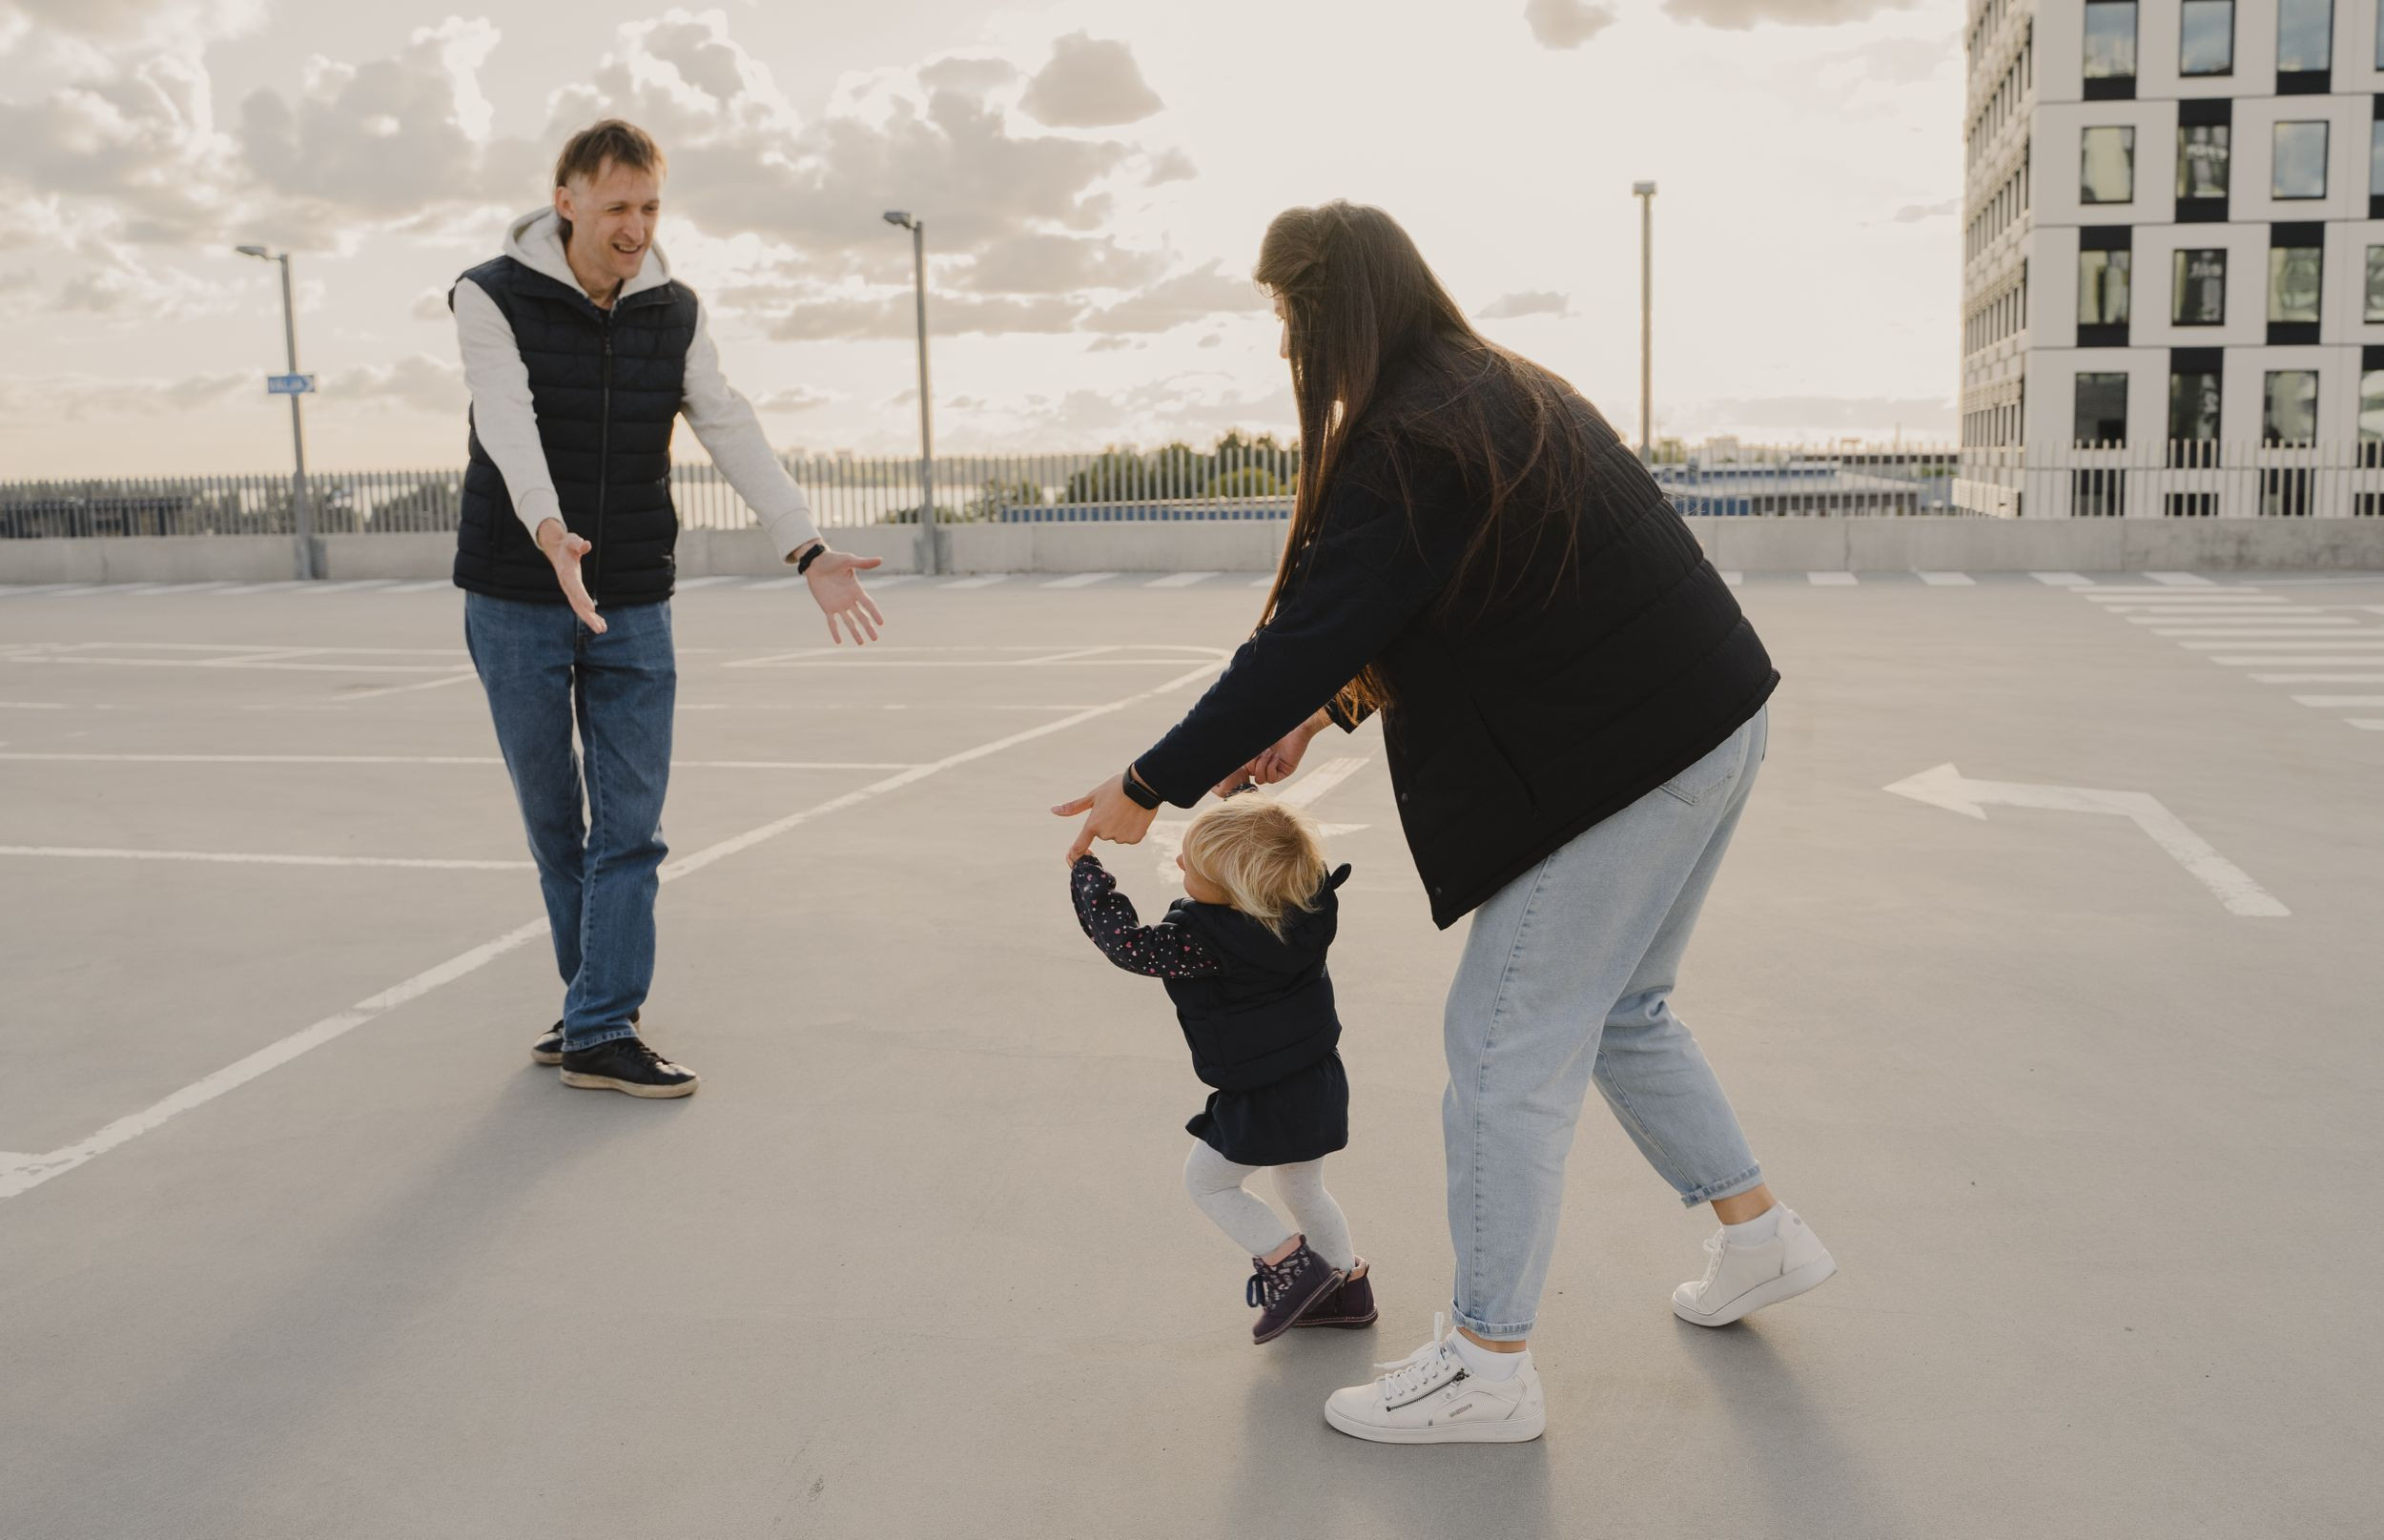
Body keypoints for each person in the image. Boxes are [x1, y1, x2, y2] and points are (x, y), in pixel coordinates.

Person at [1054, 201, 1833, 1445]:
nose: (1284, 350)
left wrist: (1147, 783)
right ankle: (1762, 1234)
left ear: (1331, 312)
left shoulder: (1408, 438)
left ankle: (1488, 1360)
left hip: (1630, 757)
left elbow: (1301, 634)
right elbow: (1423, 607)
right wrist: (1327, 711)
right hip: (1714, 720)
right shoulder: (1493, 388)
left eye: (1287, 320)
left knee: (1503, 1041)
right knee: (1620, 1008)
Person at [450, 118, 885, 1098]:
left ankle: (600, 1021)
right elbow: (505, 418)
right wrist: (548, 528)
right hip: (517, 591)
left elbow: (730, 423)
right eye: (616, 207)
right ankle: (593, 1007)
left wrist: (804, 543)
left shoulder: (672, 310)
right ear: (566, 201)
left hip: (633, 595)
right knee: (555, 823)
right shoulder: (490, 296)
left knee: (632, 825)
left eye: (649, 207)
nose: (635, 226)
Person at [1066, 795, 1375, 1343]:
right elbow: (1276, 850)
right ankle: (1347, 1288)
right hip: (1318, 1077)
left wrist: (1089, 878)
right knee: (1305, 1188)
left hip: (1262, 1091)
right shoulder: (1307, 907)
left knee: (1207, 1184)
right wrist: (1242, 804)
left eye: (1192, 862)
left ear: (1234, 892)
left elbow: (1128, 944)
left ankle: (1292, 1269)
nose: (1181, 863)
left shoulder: (1206, 944)